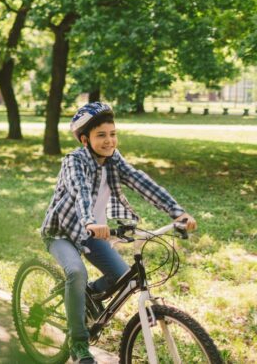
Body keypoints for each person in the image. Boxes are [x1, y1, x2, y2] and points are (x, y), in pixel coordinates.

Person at [40, 102, 197, 364]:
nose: (109, 140)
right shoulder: (74, 161)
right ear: (84, 139)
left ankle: (85, 296)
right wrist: (90, 221)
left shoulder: (114, 160)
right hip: (62, 232)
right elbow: (80, 192)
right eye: (101, 135)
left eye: (113, 133)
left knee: (122, 276)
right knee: (76, 272)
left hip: (92, 233)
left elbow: (141, 181)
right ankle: (78, 344)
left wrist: (176, 212)